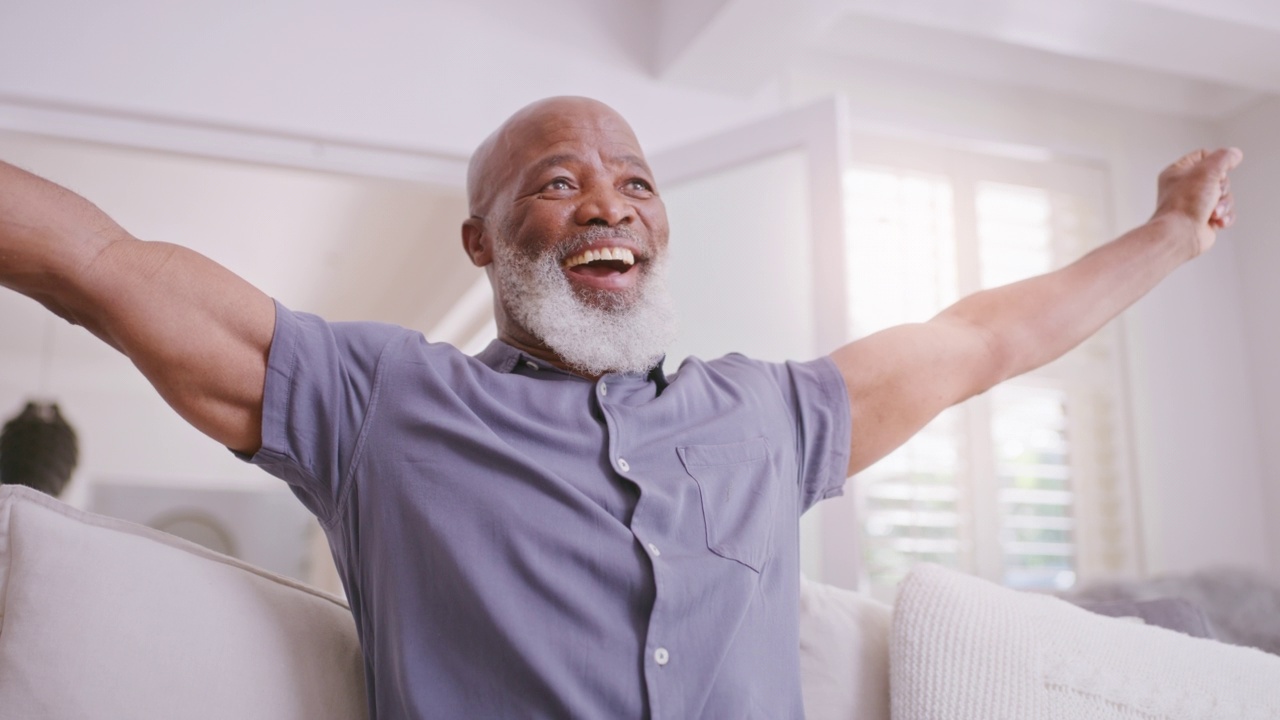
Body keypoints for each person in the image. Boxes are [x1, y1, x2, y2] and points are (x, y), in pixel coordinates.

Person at [0, 95, 1240, 719]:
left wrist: (1168, 237)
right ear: (481, 241)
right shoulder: (376, 401)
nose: (609, 203)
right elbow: (99, 266)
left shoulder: (770, 415)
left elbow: (980, 340)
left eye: (634, 182)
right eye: (559, 182)